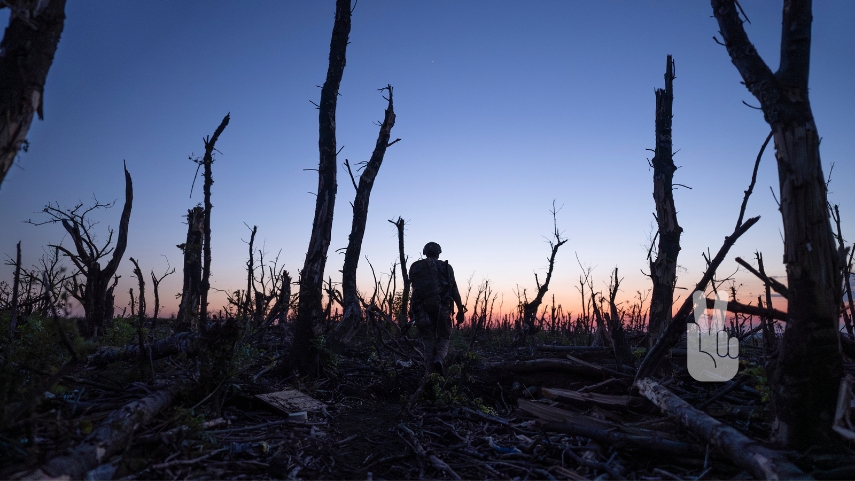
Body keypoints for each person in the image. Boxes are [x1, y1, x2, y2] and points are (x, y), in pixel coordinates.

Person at [408, 242, 465, 375]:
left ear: (424, 252)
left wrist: (412, 312)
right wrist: (460, 310)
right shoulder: (446, 267)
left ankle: (429, 373)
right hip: (442, 309)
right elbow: (454, 289)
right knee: (444, 337)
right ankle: (439, 358)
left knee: (428, 340)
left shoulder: (415, 267)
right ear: (438, 252)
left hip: (422, 310)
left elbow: (414, 292)